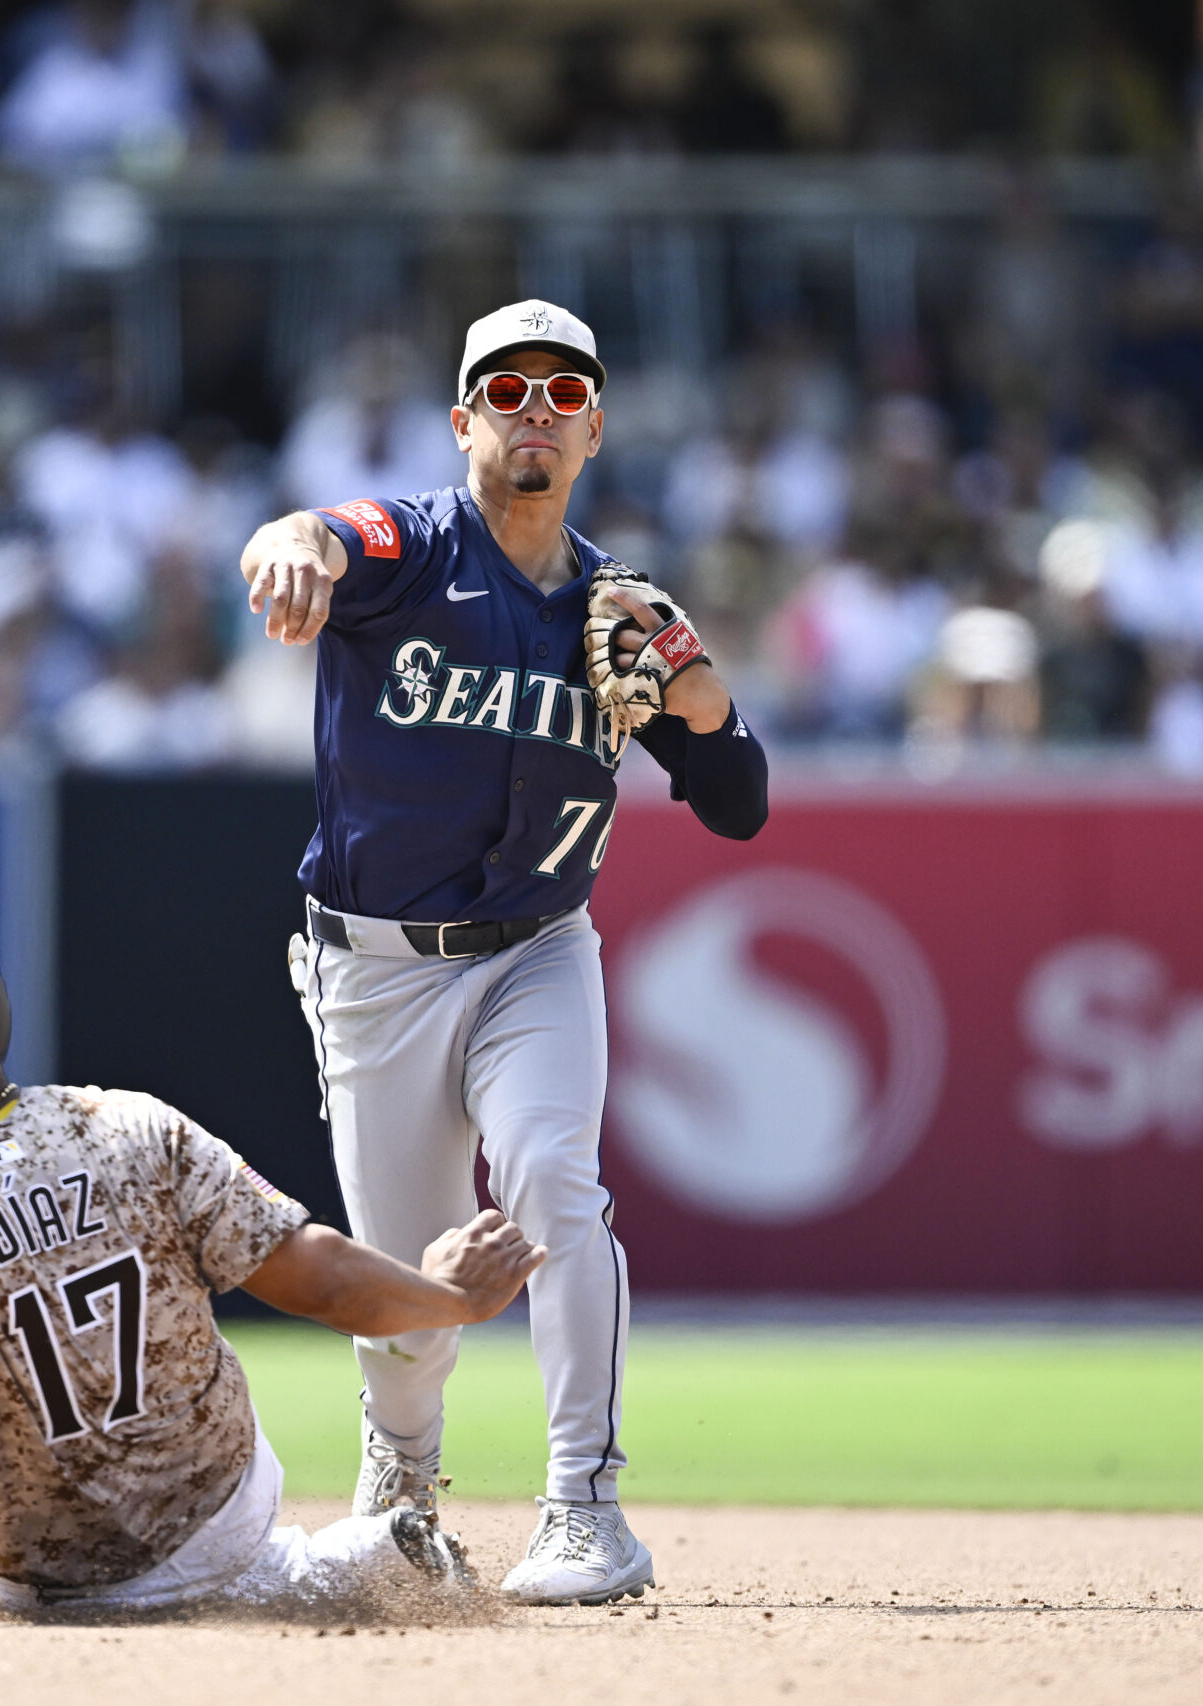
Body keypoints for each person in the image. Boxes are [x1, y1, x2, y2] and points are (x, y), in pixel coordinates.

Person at [233, 301, 769, 1606]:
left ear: (594, 428)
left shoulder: (614, 611)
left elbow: (738, 800)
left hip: (538, 949)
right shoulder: (411, 549)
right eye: (508, 388)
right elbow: (308, 534)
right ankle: (403, 1489)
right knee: (408, 1275)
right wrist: (288, 547)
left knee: (550, 1178)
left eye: (564, 390)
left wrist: (710, 699)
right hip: (375, 965)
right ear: (464, 420)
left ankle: (587, 1502)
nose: (537, 407)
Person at [0, 910, 544, 1624]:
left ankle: (297, 1572)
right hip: (217, 1525)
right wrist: (452, 1297)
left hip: (22, 1576)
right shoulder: (128, 1123)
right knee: (221, 1544)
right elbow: (315, 1278)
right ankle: (332, 1565)